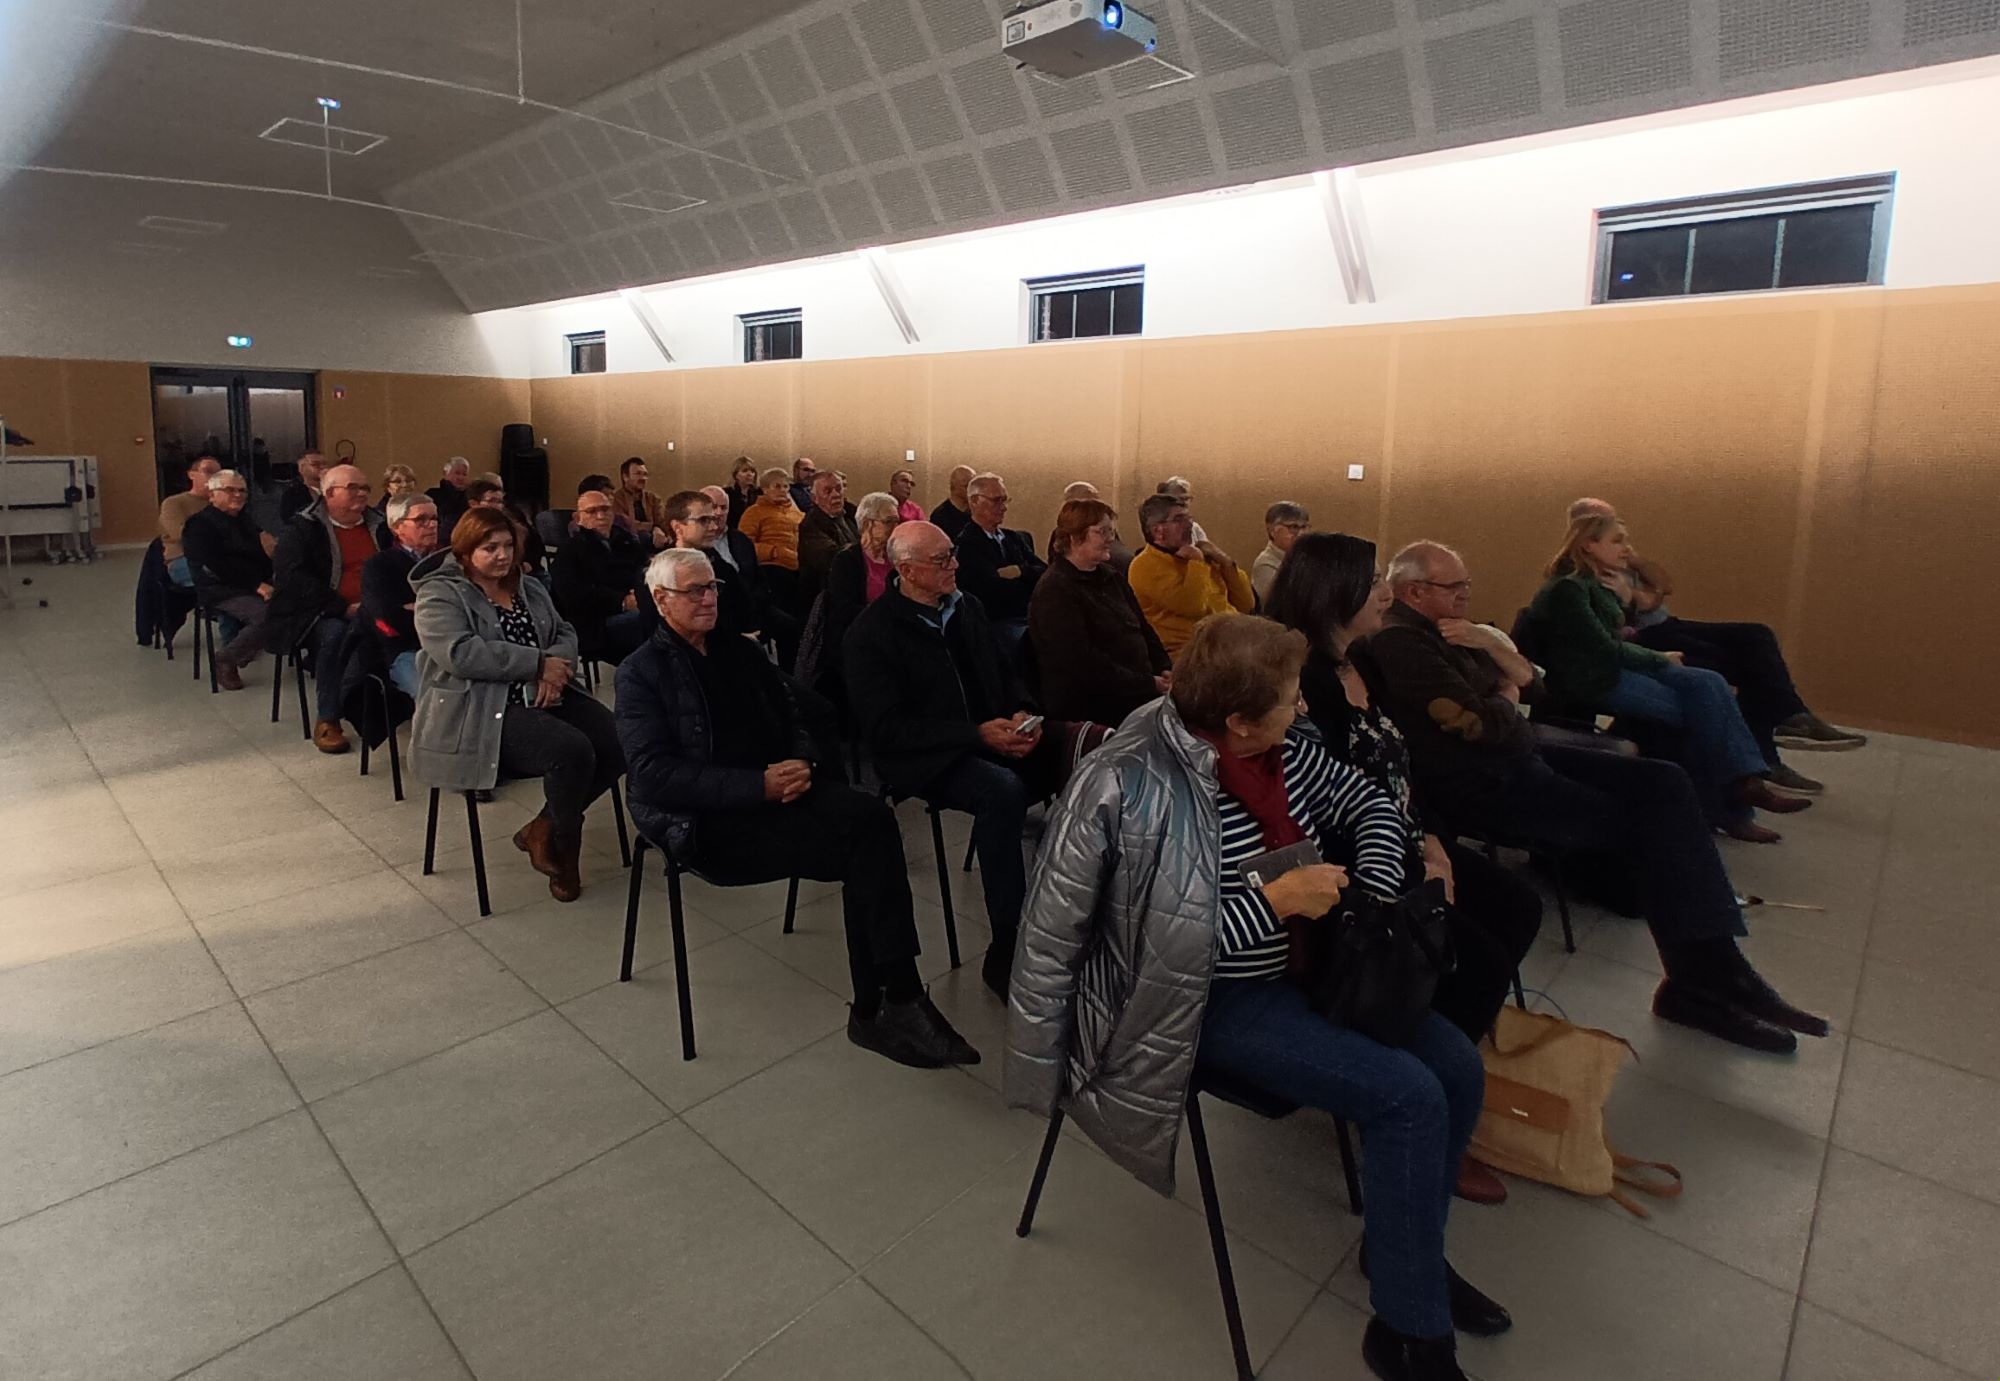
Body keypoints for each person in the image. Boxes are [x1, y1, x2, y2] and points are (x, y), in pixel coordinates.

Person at [1006, 615, 1504, 1381]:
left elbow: (1369, 801)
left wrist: (1374, 890)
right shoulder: (1124, 783)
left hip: (1308, 965)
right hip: (1198, 1003)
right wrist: (1274, 903)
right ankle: (1409, 1332)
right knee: (1408, 1095)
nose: (1303, 707)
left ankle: (1400, 1250)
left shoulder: (1283, 750)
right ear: (1238, 719)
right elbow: (1128, 956)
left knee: (1458, 1069)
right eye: (1289, 698)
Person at [1370, 540, 1830, 1052]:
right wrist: (1507, 689)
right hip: (1481, 782)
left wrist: (1498, 653)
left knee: (1665, 781)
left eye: (1466, 584)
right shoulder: (1401, 643)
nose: (1465, 594)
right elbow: (1481, 723)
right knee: (1652, 822)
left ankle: (1715, 971)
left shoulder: (1456, 631)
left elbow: (1536, 688)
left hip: (1520, 754)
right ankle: (1704, 981)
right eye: (1454, 586)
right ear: (1415, 591)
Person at [615, 548, 977, 1067]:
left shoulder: (739, 652)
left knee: (873, 821)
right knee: (865, 849)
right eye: (694, 591)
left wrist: (802, 759)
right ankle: (889, 1002)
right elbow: (653, 776)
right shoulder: (640, 673)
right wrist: (757, 786)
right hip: (706, 823)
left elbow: (799, 712)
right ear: (660, 599)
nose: (709, 599)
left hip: (776, 792)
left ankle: (892, 1000)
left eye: (712, 587)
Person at [1267, 534, 1541, 1206]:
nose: (1386, 593)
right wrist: (1413, 860)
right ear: (1333, 594)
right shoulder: (1302, 681)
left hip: (1408, 832)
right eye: (1372, 583)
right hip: (1354, 861)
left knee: (1516, 906)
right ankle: (1415, 1088)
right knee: (1473, 955)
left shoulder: (1363, 659)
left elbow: (1400, 766)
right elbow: (1317, 809)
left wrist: (1435, 842)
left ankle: (1443, 1049)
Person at [844, 521, 1068, 1000]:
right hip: (923, 755)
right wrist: (976, 734)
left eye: (951, 554)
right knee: (1001, 792)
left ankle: (1070, 910)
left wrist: (1021, 712)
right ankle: (1007, 943)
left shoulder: (966, 607)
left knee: (1076, 750)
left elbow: (1005, 674)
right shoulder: (871, 633)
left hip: (985, 734)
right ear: (907, 571)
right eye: (942, 560)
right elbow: (887, 730)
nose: (956, 565)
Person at [1530, 515, 1807, 838]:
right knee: (1700, 714)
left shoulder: (1602, 580)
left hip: (1619, 663)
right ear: (1589, 545)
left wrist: (1626, 599)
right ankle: (1736, 807)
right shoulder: (1569, 588)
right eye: (1617, 541)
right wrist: (1660, 658)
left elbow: (1636, 616)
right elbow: (1603, 648)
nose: (1626, 548)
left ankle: (1746, 782)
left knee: (1710, 681)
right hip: (1594, 676)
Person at [410, 507, 623, 904]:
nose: (503, 555)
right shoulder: (439, 594)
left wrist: (554, 670)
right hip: (482, 707)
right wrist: (537, 664)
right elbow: (460, 653)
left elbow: (564, 630)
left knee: (618, 740)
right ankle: (565, 851)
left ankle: (542, 827)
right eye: (490, 548)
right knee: (570, 751)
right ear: (465, 551)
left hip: (547, 690)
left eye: (508, 546)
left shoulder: (528, 586)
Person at [1568, 497, 1864, 776]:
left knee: (1757, 635)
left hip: (1668, 624)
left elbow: (1664, 585)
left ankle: (1791, 715)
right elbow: (1639, 609)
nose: (1622, 539)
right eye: (1613, 532)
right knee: (1736, 668)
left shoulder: (1621, 559)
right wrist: (1640, 595)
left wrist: (1636, 564)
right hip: (1648, 636)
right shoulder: (1588, 575)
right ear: (1587, 535)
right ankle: (1763, 761)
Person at [268, 463, 389, 753]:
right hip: (319, 612)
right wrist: (342, 607)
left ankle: (395, 706)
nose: (362, 493)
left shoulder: (380, 525)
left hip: (375, 609)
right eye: (353, 488)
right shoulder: (303, 529)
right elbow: (293, 578)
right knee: (336, 636)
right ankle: (329, 717)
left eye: (365, 488)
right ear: (329, 493)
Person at [1029, 499, 1170, 729]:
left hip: (1136, 690)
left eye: (1111, 531)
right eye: (1102, 532)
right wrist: (1147, 684)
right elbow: (1081, 663)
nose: (1110, 539)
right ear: (1074, 537)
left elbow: (1143, 628)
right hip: (1094, 703)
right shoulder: (1055, 590)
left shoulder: (1111, 577)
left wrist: (1164, 667)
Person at [1127, 493, 1254, 658]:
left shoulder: (1202, 556)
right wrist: (1197, 562)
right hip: (1190, 653)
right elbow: (1193, 607)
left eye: (1188, 518)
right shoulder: (1145, 566)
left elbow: (1246, 604)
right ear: (1158, 531)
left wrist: (1226, 563)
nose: (1189, 525)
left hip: (1229, 642)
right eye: (1179, 519)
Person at [179, 469, 272, 690]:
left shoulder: (245, 521)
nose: (238, 495)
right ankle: (226, 658)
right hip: (220, 588)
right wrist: (256, 585)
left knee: (301, 601)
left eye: (242, 491)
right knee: (267, 615)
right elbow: (216, 567)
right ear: (212, 495)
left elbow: (259, 556)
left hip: (253, 582)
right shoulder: (199, 525)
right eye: (230, 490)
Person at [814, 491, 900, 701]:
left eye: (897, 521)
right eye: (889, 522)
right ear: (868, 524)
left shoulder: (897, 558)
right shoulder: (848, 561)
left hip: (896, 633)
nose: (896, 527)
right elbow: (843, 611)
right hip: (861, 637)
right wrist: (886, 616)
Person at [552, 488, 651, 664]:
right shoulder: (570, 550)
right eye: (592, 511)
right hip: (595, 623)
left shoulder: (626, 540)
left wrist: (640, 595)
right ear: (578, 518)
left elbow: (645, 570)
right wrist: (622, 601)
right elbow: (573, 595)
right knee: (648, 621)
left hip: (637, 604)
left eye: (605, 509)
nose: (600, 516)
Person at [360, 494, 440, 700]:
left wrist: (416, 607)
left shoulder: (449, 560)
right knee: (432, 697)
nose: (432, 525)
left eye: (434, 518)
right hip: (406, 650)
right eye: (421, 519)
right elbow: (388, 620)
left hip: (452, 645)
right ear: (397, 527)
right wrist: (438, 612)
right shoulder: (378, 566)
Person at [951, 472, 1046, 631]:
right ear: (974, 501)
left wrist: (1019, 571)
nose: (1004, 507)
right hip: (996, 623)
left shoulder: (1013, 538)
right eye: (996, 500)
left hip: (1028, 616)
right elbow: (992, 592)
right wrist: (1029, 578)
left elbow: (1045, 572)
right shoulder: (966, 544)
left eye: (1005, 500)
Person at [740, 467, 804, 608]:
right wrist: (774, 552)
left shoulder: (798, 514)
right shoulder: (753, 513)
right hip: (771, 568)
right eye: (777, 486)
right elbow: (743, 546)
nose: (783, 490)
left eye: (786, 486)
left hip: (799, 568)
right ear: (765, 489)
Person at [159, 454, 221, 587]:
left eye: (218, 474)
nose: (214, 477)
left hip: (218, 556)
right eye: (208, 471)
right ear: (191, 475)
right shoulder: (173, 503)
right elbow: (180, 534)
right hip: (183, 559)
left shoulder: (221, 503)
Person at [797, 470, 859, 602]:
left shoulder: (854, 514)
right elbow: (833, 558)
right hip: (827, 594)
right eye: (828, 491)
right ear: (814, 498)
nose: (836, 495)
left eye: (839, 489)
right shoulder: (810, 525)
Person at [1251, 500, 1311, 605]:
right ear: (1272, 531)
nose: (1301, 533)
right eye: (1293, 527)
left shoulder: (1307, 558)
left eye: (1304, 527)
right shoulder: (1265, 564)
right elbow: (1275, 605)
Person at [613, 457, 670, 547]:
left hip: (657, 539)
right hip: (628, 543)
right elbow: (627, 524)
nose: (643, 478)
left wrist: (660, 530)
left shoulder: (653, 498)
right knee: (644, 536)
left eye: (645, 474)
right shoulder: (616, 499)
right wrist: (654, 527)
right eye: (638, 474)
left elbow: (663, 521)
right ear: (625, 477)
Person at [1155, 475, 1209, 545]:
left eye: (1186, 498)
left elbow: (1207, 549)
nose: (1184, 503)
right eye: (1179, 499)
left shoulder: (1195, 528)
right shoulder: (1159, 528)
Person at [277, 450, 326, 523]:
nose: (322, 467)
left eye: (324, 464)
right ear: (302, 468)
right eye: (315, 464)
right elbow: (288, 522)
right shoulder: (292, 495)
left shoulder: (335, 489)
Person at [929, 464, 975, 539]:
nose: (972, 491)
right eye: (966, 486)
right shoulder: (940, 516)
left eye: (974, 487)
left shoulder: (977, 512)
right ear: (954, 487)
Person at [428, 456, 470, 534]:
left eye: (464, 474)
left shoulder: (469, 496)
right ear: (445, 473)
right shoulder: (433, 495)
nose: (461, 477)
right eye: (457, 473)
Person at [724, 457, 761, 531]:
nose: (749, 474)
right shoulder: (727, 493)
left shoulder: (760, 493)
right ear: (736, 475)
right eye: (745, 471)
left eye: (752, 471)